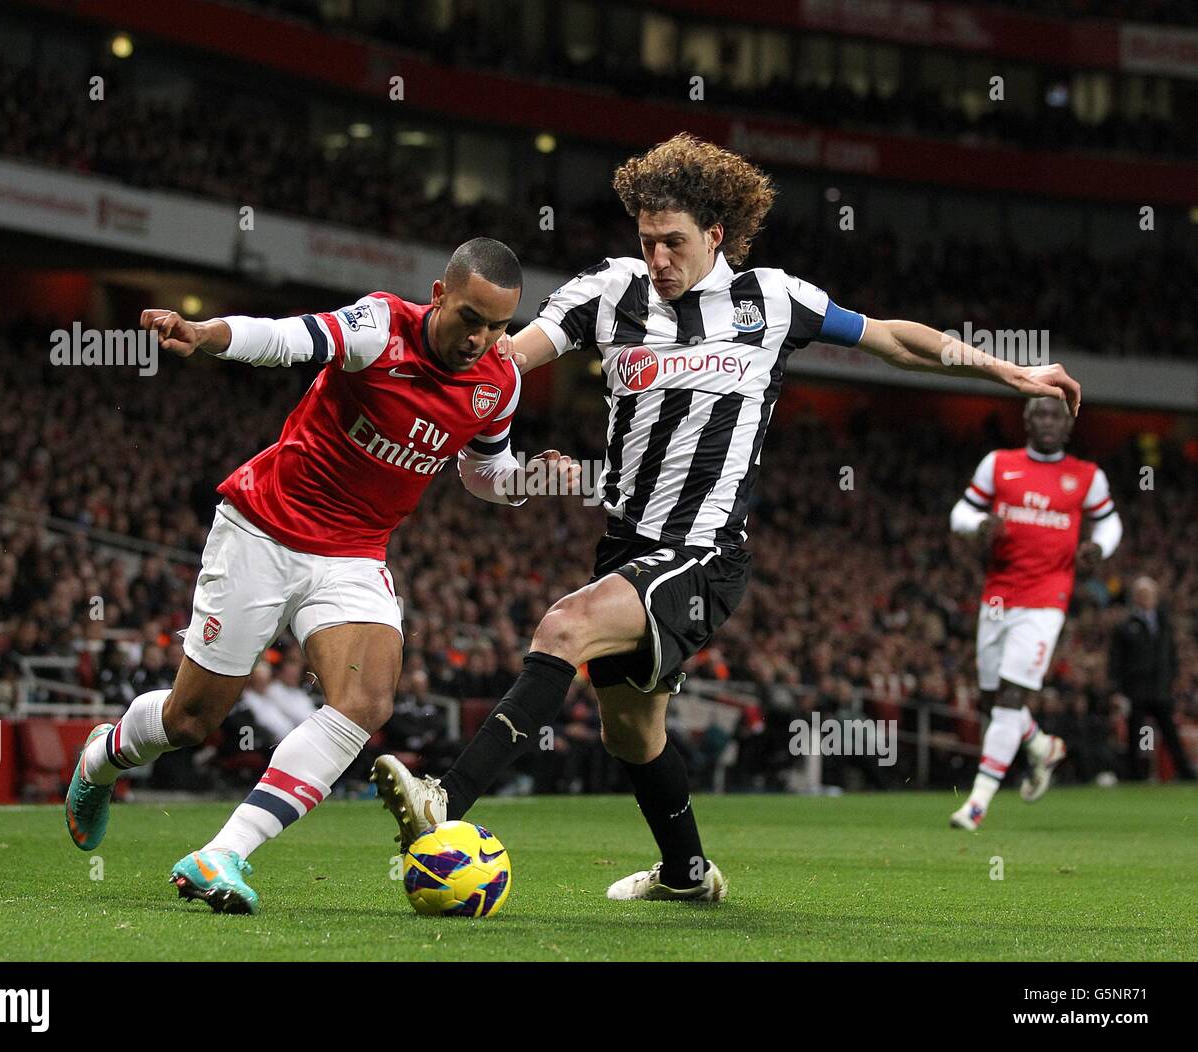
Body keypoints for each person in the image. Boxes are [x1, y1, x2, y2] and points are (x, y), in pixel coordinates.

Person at [372, 133, 1082, 902]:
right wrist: (423, 377)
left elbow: (892, 340)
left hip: (707, 552)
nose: (659, 260)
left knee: (562, 629)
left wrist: (1006, 370)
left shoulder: (773, 300)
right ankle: (687, 875)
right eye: (647, 242)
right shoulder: (611, 290)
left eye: (674, 243)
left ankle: (445, 800)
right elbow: (505, 359)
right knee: (631, 734)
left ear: (714, 236)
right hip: (627, 545)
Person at [64, 238, 581, 914]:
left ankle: (224, 853)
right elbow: (284, 339)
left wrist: (525, 482)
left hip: (355, 554)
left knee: (366, 702)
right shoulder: (380, 328)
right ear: (437, 296)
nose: (480, 338)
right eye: (469, 317)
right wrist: (204, 333)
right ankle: (102, 758)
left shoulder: (500, 381)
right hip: (262, 529)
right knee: (191, 720)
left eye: (497, 325)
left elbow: (482, 473)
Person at [948, 397, 1122, 829]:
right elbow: (961, 512)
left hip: (1047, 599)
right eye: (1039, 415)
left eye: (1055, 416)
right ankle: (1042, 745)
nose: (1047, 422)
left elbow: (1110, 521)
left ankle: (977, 802)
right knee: (991, 701)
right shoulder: (999, 464)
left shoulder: (1086, 476)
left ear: (1068, 426)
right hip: (998, 596)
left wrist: (1100, 547)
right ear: (1026, 423)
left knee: (1010, 698)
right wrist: (978, 524)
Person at [1111, 576, 1195, 782]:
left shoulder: (1164, 623)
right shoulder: (1126, 626)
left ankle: (1183, 772)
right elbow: (1116, 660)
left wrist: (1173, 677)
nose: (1147, 599)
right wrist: (1118, 689)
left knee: (1170, 733)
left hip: (1161, 689)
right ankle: (1137, 774)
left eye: (1149, 594)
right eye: (1142, 595)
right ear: (1136, 598)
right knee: (1139, 735)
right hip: (1137, 689)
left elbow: (1171, 654)